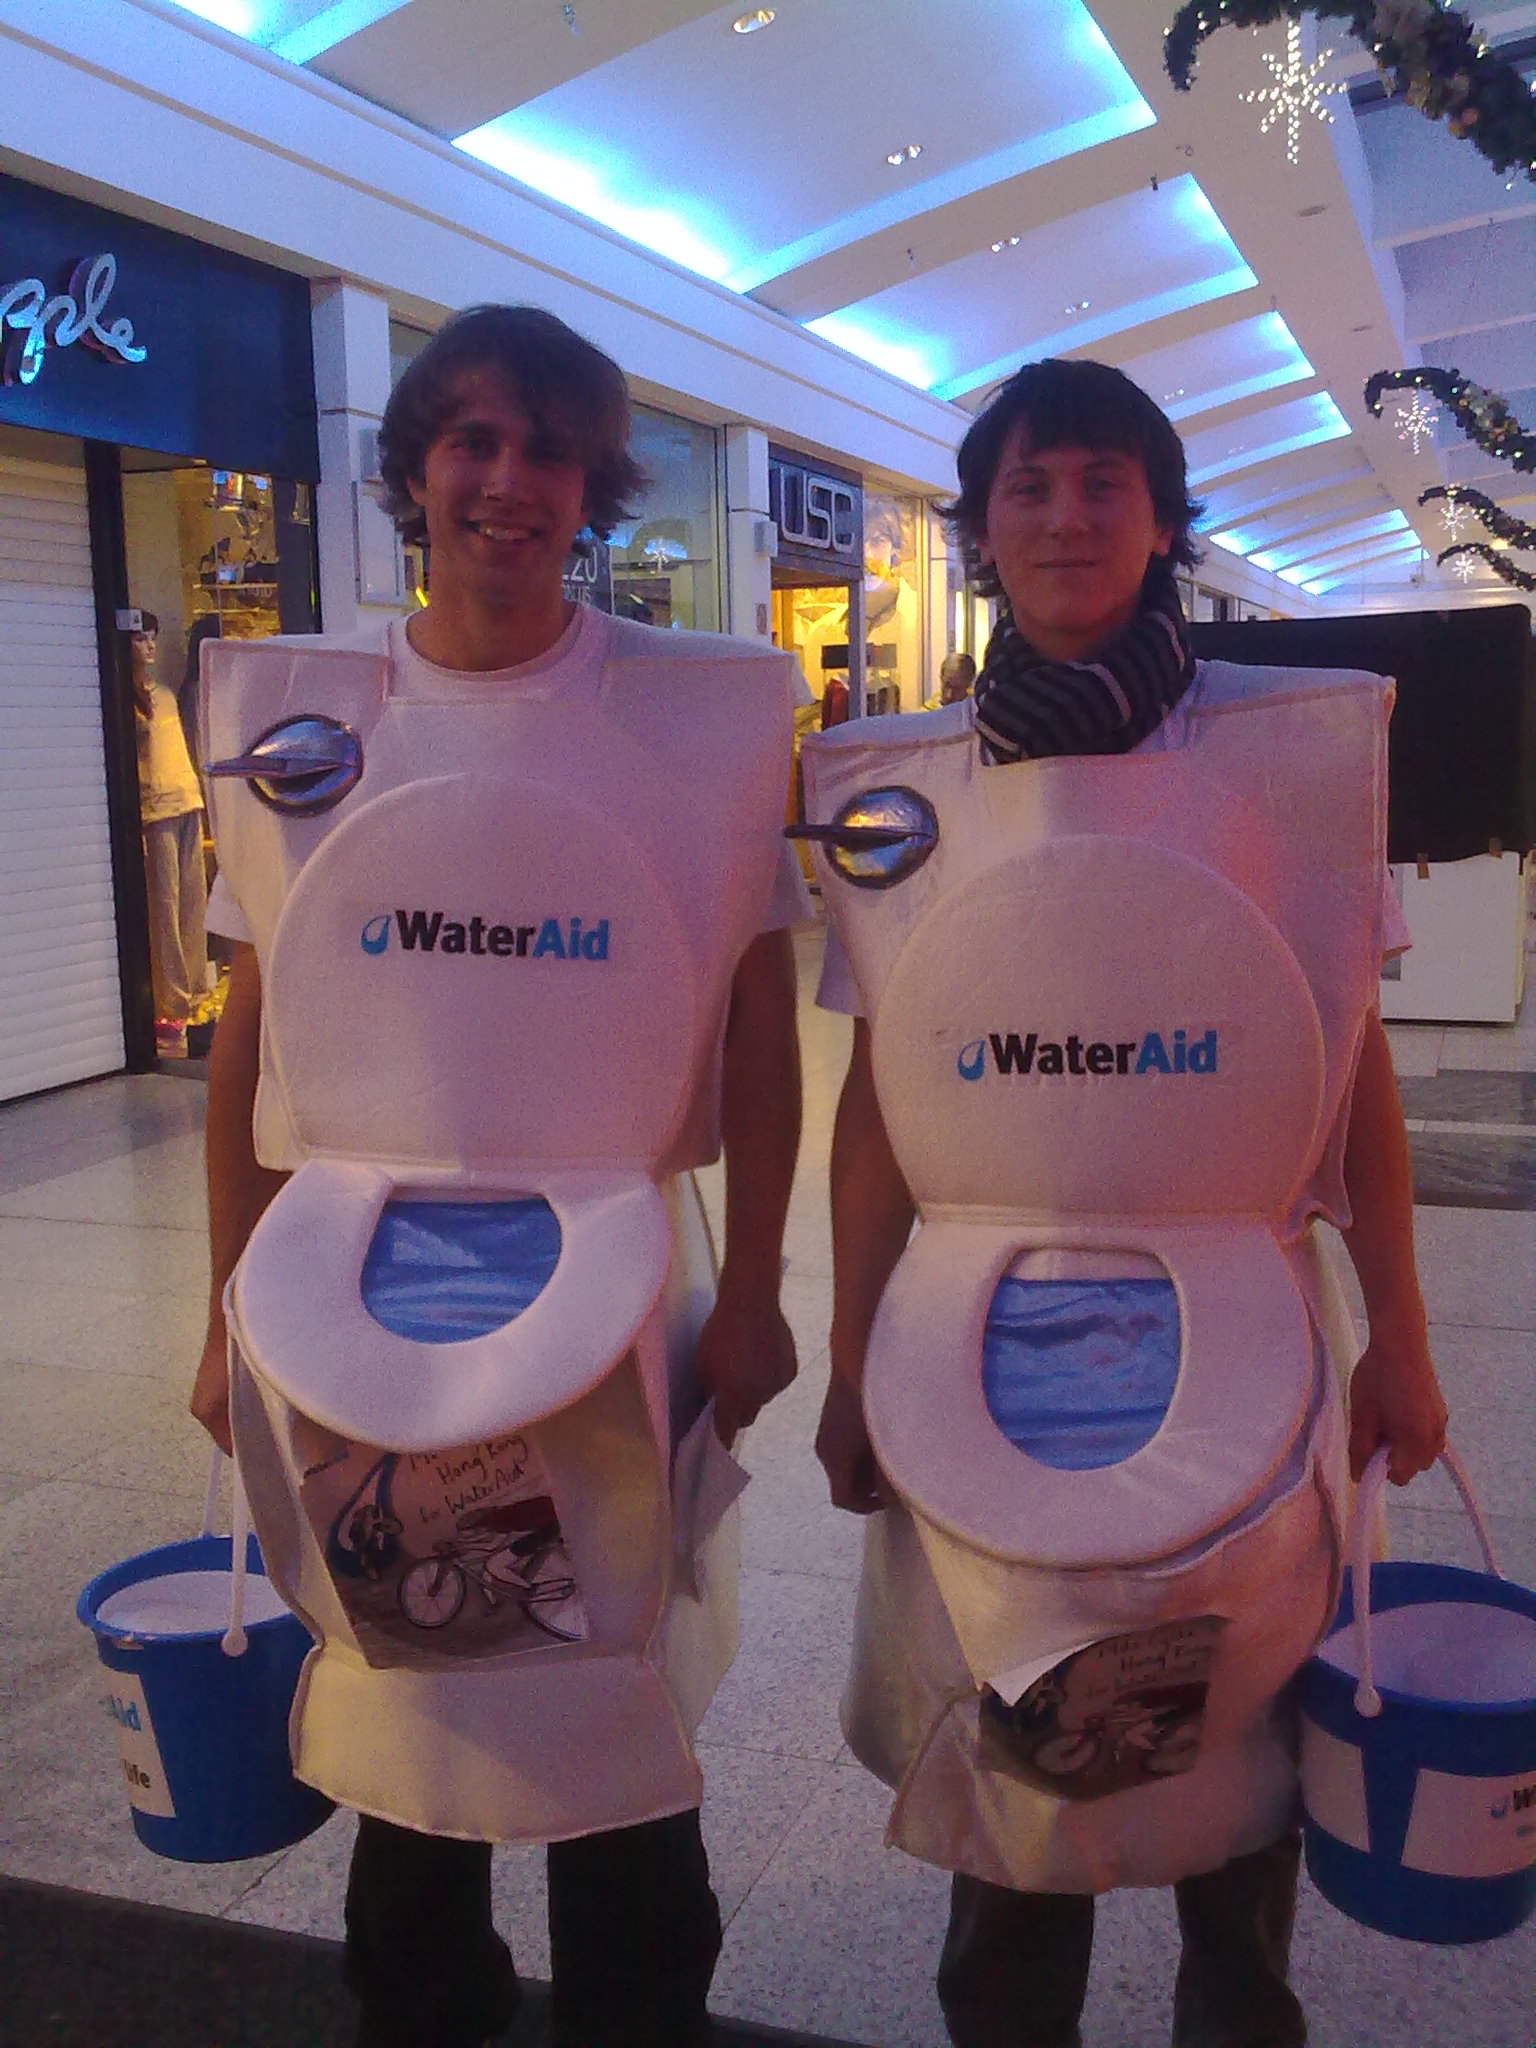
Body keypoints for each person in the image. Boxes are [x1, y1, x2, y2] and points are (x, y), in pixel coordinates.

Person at [805, 358, 1447, 2048]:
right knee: (1016, 1746)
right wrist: (852, 1357)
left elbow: (1351, 1069)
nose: (1064, 516)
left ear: (1164, 519)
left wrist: (1400, 1334)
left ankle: (1238, 2015)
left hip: (1240, 1308)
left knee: (1245, 1741)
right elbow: (877, 1106)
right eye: (1026, 486)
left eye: (1103, 481)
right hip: (980, 1323)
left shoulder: (1277, 753)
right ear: (981, 528)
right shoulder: (905, 783)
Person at [190, 304, 806, 2048]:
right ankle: (422, 2006)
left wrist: (759, 1290)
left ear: (592, 485)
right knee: (418, 1688)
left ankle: (635, 2012)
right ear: (413, 471)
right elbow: (254, 1037)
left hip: (620, 1282)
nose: (507, 481)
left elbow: (758, 1018)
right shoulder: (312, 719)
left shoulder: (687, 719)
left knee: (611, 1687)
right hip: (360, 1287)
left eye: (547, 449)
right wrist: (223, 1312)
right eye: (472, 439)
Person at [130, 611, 209, 1058]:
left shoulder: (165, 696)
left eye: (152, 637)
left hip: (187, 799)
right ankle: (172, 1002)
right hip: (154, 808)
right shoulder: (126, 699)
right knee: (165, 906)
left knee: (194, 902)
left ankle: (196, 994)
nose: (149, 646)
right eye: (140, 638)